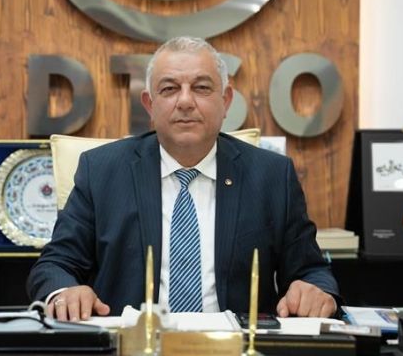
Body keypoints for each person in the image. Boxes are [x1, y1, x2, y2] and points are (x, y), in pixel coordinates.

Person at [27, 36, 340, 321]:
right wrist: (65, 291)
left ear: (226, 101)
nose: (186, 101)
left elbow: (311, 271)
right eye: (169, 89)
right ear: (149, 104)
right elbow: (56, 264)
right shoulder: (102, 171)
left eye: (201, 88)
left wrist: (315, 291)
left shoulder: (271, 176)